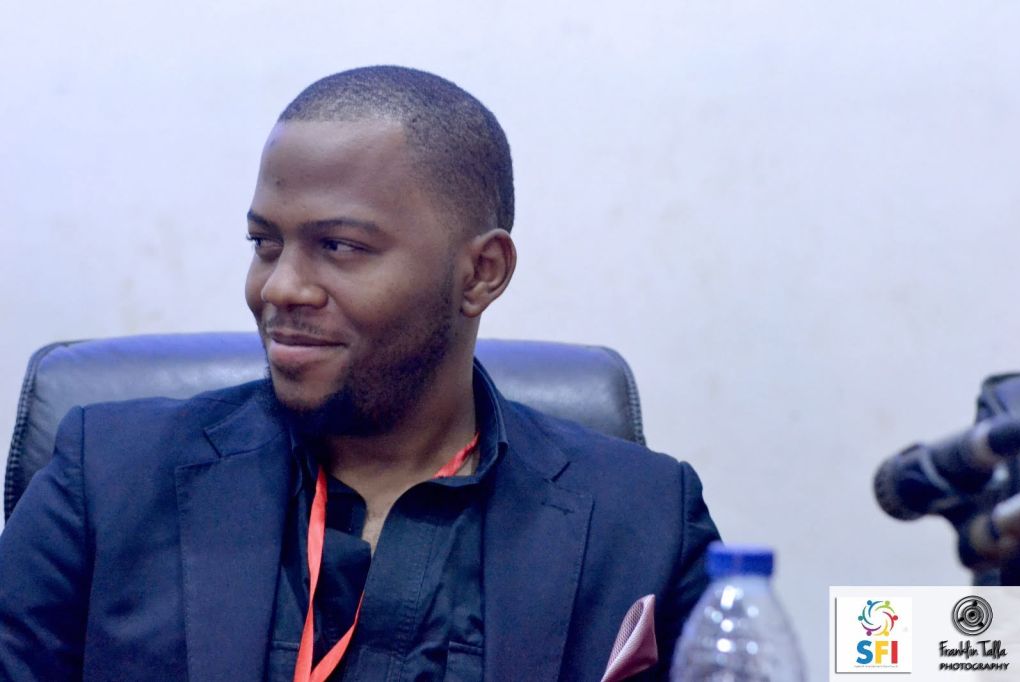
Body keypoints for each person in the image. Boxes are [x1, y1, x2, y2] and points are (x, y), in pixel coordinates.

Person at [0, 66, 719, 681]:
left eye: (339, 247)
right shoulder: (108, 479)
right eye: (265, 242)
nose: (279, 286)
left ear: (481, 273)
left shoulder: (643, 520)